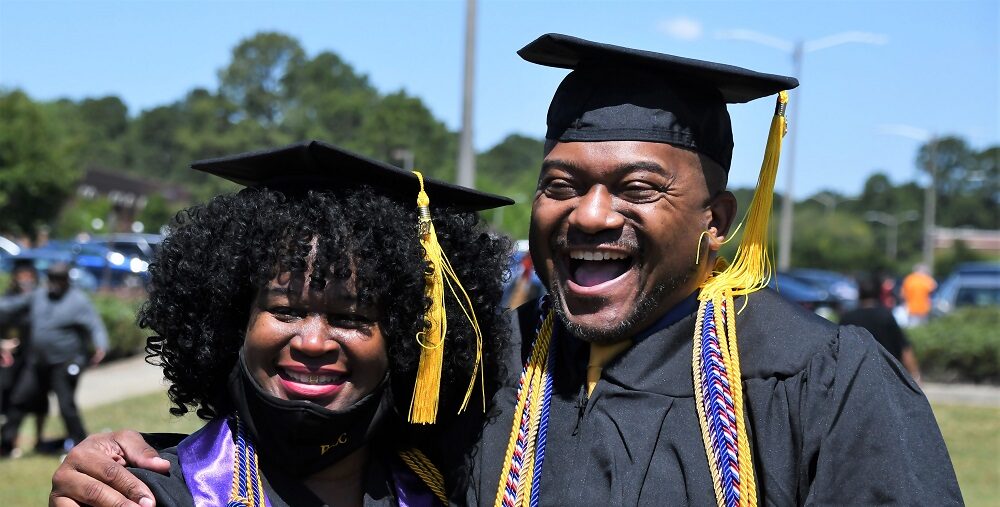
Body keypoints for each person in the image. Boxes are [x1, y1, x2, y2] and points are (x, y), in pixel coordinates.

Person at [50, 35, 963, 506]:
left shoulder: (817, 381)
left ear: (717, 218)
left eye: (639, 187)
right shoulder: (483, 370)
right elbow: (308, 444)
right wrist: (136, 462)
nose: (593, 215)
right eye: (561, 183)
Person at [53, 140, 513, 506]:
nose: (313, 342)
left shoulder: (447, 490)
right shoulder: (148, 496)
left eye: (350, 317)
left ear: (408, 340)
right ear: (235, 322)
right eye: (285, 310)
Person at [0, 262, 107, 456]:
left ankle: (82, 446)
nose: (53, 282)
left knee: (66, 405)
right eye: (50, 277)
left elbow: (95, 324)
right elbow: (12, 306)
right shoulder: (39, 296)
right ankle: (6, 445)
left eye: (58, 278)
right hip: (38, 362)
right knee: (18, 400)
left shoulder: (78, 301)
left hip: (65, 362)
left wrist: (101, 345)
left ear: (66, 279)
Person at [0, 260, 49, 454]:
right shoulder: (9, 298)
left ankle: (37, 440)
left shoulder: (41, 300)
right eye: (21, 276)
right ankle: (9, 442)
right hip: (10, 361)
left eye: (29, 276)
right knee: (11, 399)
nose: (25, 280)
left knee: (37, 401)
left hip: (33, 359)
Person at [841, 275, 922, 382]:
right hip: (887, 377)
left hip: (856, 378)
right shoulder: (885, 316)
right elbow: (904, 348)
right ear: (879, 293)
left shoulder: (848, 318)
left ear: (859, 293)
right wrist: (915, 375)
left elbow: (838, 349)